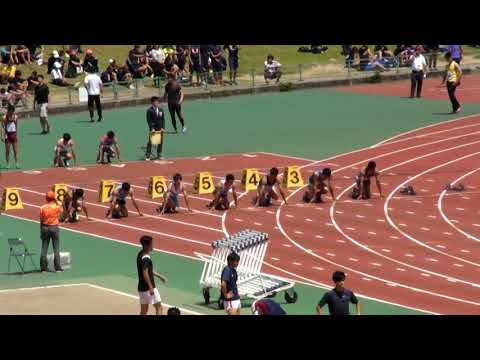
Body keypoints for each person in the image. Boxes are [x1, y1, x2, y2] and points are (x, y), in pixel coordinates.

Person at [137, 235, 168, 315]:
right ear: (147, 245)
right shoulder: (146, 258)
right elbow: (145, 272)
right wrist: (150, 287)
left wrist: (159, 276)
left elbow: (148, 270)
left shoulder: (140, 254)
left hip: (141, 288)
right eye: (151, 244)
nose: (152, 246)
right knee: (159, 307)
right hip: (149, 288)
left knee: (144, 311)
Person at [40, 191, 63, 273]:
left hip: (45, 227)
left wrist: (41, 231)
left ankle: (43, 268)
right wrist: (56, 200)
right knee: (56, 248)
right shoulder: (57, 207)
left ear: (46, 198)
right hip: (54, 227)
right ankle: (58, 268)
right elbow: (62, 209)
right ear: (53, 198)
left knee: (44, 248)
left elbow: (41, 220)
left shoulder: (42, 207)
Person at [145, 96, 165, 161]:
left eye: (157, 101)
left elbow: (163, 119)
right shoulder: (149, 110)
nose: (157, 103)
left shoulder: (161, 110)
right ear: (152, 102)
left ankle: (159, 155)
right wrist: (152, 128)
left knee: (160, 142)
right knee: (151, 142)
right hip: (153, 129)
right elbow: (149, 121)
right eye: (156, 102)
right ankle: (148, 155)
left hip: (160, 129)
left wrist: (163, 127)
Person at [1, 104, 20, 169]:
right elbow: (2, 127)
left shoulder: (15, 117)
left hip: (13, 135)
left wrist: (16, 134)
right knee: (7, 151)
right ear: (8, 111)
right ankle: (8, 164)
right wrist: (2, 136)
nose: (11, 112)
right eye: (10, 111)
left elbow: (16, 126)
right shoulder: (4, 117)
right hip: (7, 135)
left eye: (13, 111)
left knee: (15, 150)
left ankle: (17, 163)